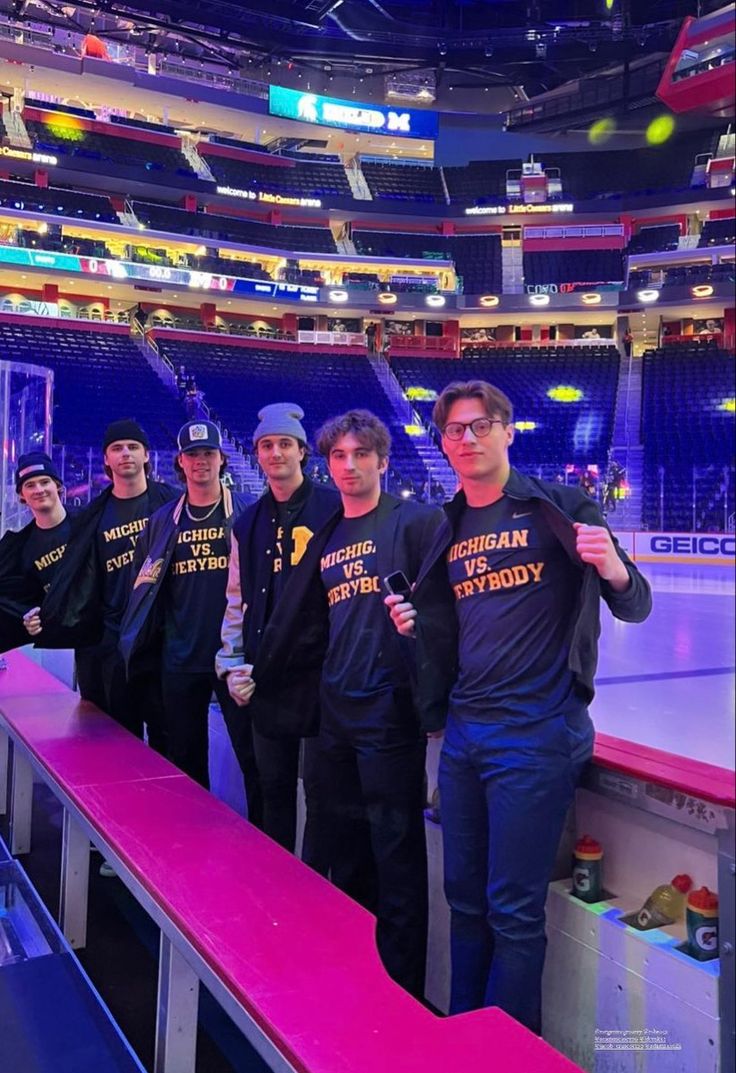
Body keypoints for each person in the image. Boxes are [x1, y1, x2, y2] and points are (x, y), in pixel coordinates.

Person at [386, 380, 651, 1032]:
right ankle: (463, 1035)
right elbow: (449, 629)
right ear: (443, 442)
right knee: (464, 902)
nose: (467, 439)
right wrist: (414, 623)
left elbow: (635, 601)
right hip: (466, 734)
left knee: (513, 911)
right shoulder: (445, 527)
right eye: (454, 430)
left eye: (480, 426)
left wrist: (614, 567)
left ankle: (504, 1054)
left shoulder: (558, 506)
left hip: (535, 735)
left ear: (508, 431)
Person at [243, 410, 443, 999]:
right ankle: (356, 976)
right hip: (334, 716)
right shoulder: (328, 532)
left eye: (361, 455)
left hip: (389, 716)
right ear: (326, 463)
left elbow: (447, 612)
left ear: (383, 461)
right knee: (344, 855)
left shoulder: (415, 521)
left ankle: (401, 990)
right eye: (339, 457)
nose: (350, 466)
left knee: (397, 858)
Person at [119, 421, 261, 823]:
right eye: (193, 455)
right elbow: (144, 590)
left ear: (222, 459)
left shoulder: (248, 513)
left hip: (234, 656)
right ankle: (192, 836)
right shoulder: (163, 520)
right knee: (184, 758)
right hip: (179, 656)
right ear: (181, 462)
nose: (201, 462)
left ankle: (266, 842)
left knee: (253, 757)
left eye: (208, 454)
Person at [216, 403, 340, 860]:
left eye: (284, 444)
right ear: (257, 454)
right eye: (267, 445)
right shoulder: (246, 523)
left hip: (321, 674)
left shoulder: (332, 509)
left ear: (302, 452)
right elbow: (236, 599)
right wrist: (230, 664)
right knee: (272, 788)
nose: (275, 453)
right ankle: (274, 880)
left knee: (324, 796)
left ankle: (315, 892)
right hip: (266, 675)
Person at [40, 419, 177, 747]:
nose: (125, 453)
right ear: (106, 459)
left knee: (170, 743)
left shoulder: (174, 505)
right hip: (112, 643)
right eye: (117, 448)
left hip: (163, 640)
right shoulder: (93, 516)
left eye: (133, 447)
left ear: (147, 455)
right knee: (115, 744)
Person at [0, 453, 72, 653]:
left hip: (104, 633)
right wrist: (29, 617)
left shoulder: (88, 522)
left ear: (57, 485)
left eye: (44, 482)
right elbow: (16, 600)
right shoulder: (18, 548)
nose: (39, 490)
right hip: (64, 644)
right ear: (21, 495)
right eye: (30, 485)